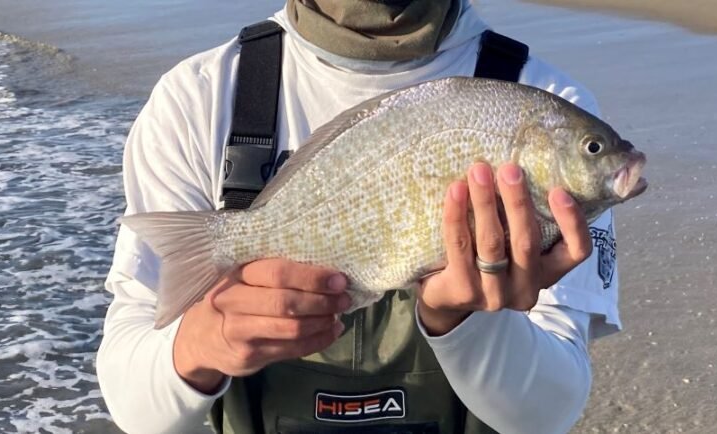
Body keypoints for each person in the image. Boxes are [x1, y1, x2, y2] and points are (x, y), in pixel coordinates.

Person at [96, 1, 623, 433]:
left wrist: (464, 320)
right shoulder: (198, 99)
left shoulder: (547, 102)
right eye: (595, 150)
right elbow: (137, 408)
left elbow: (547, 414)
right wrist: (204, 343)